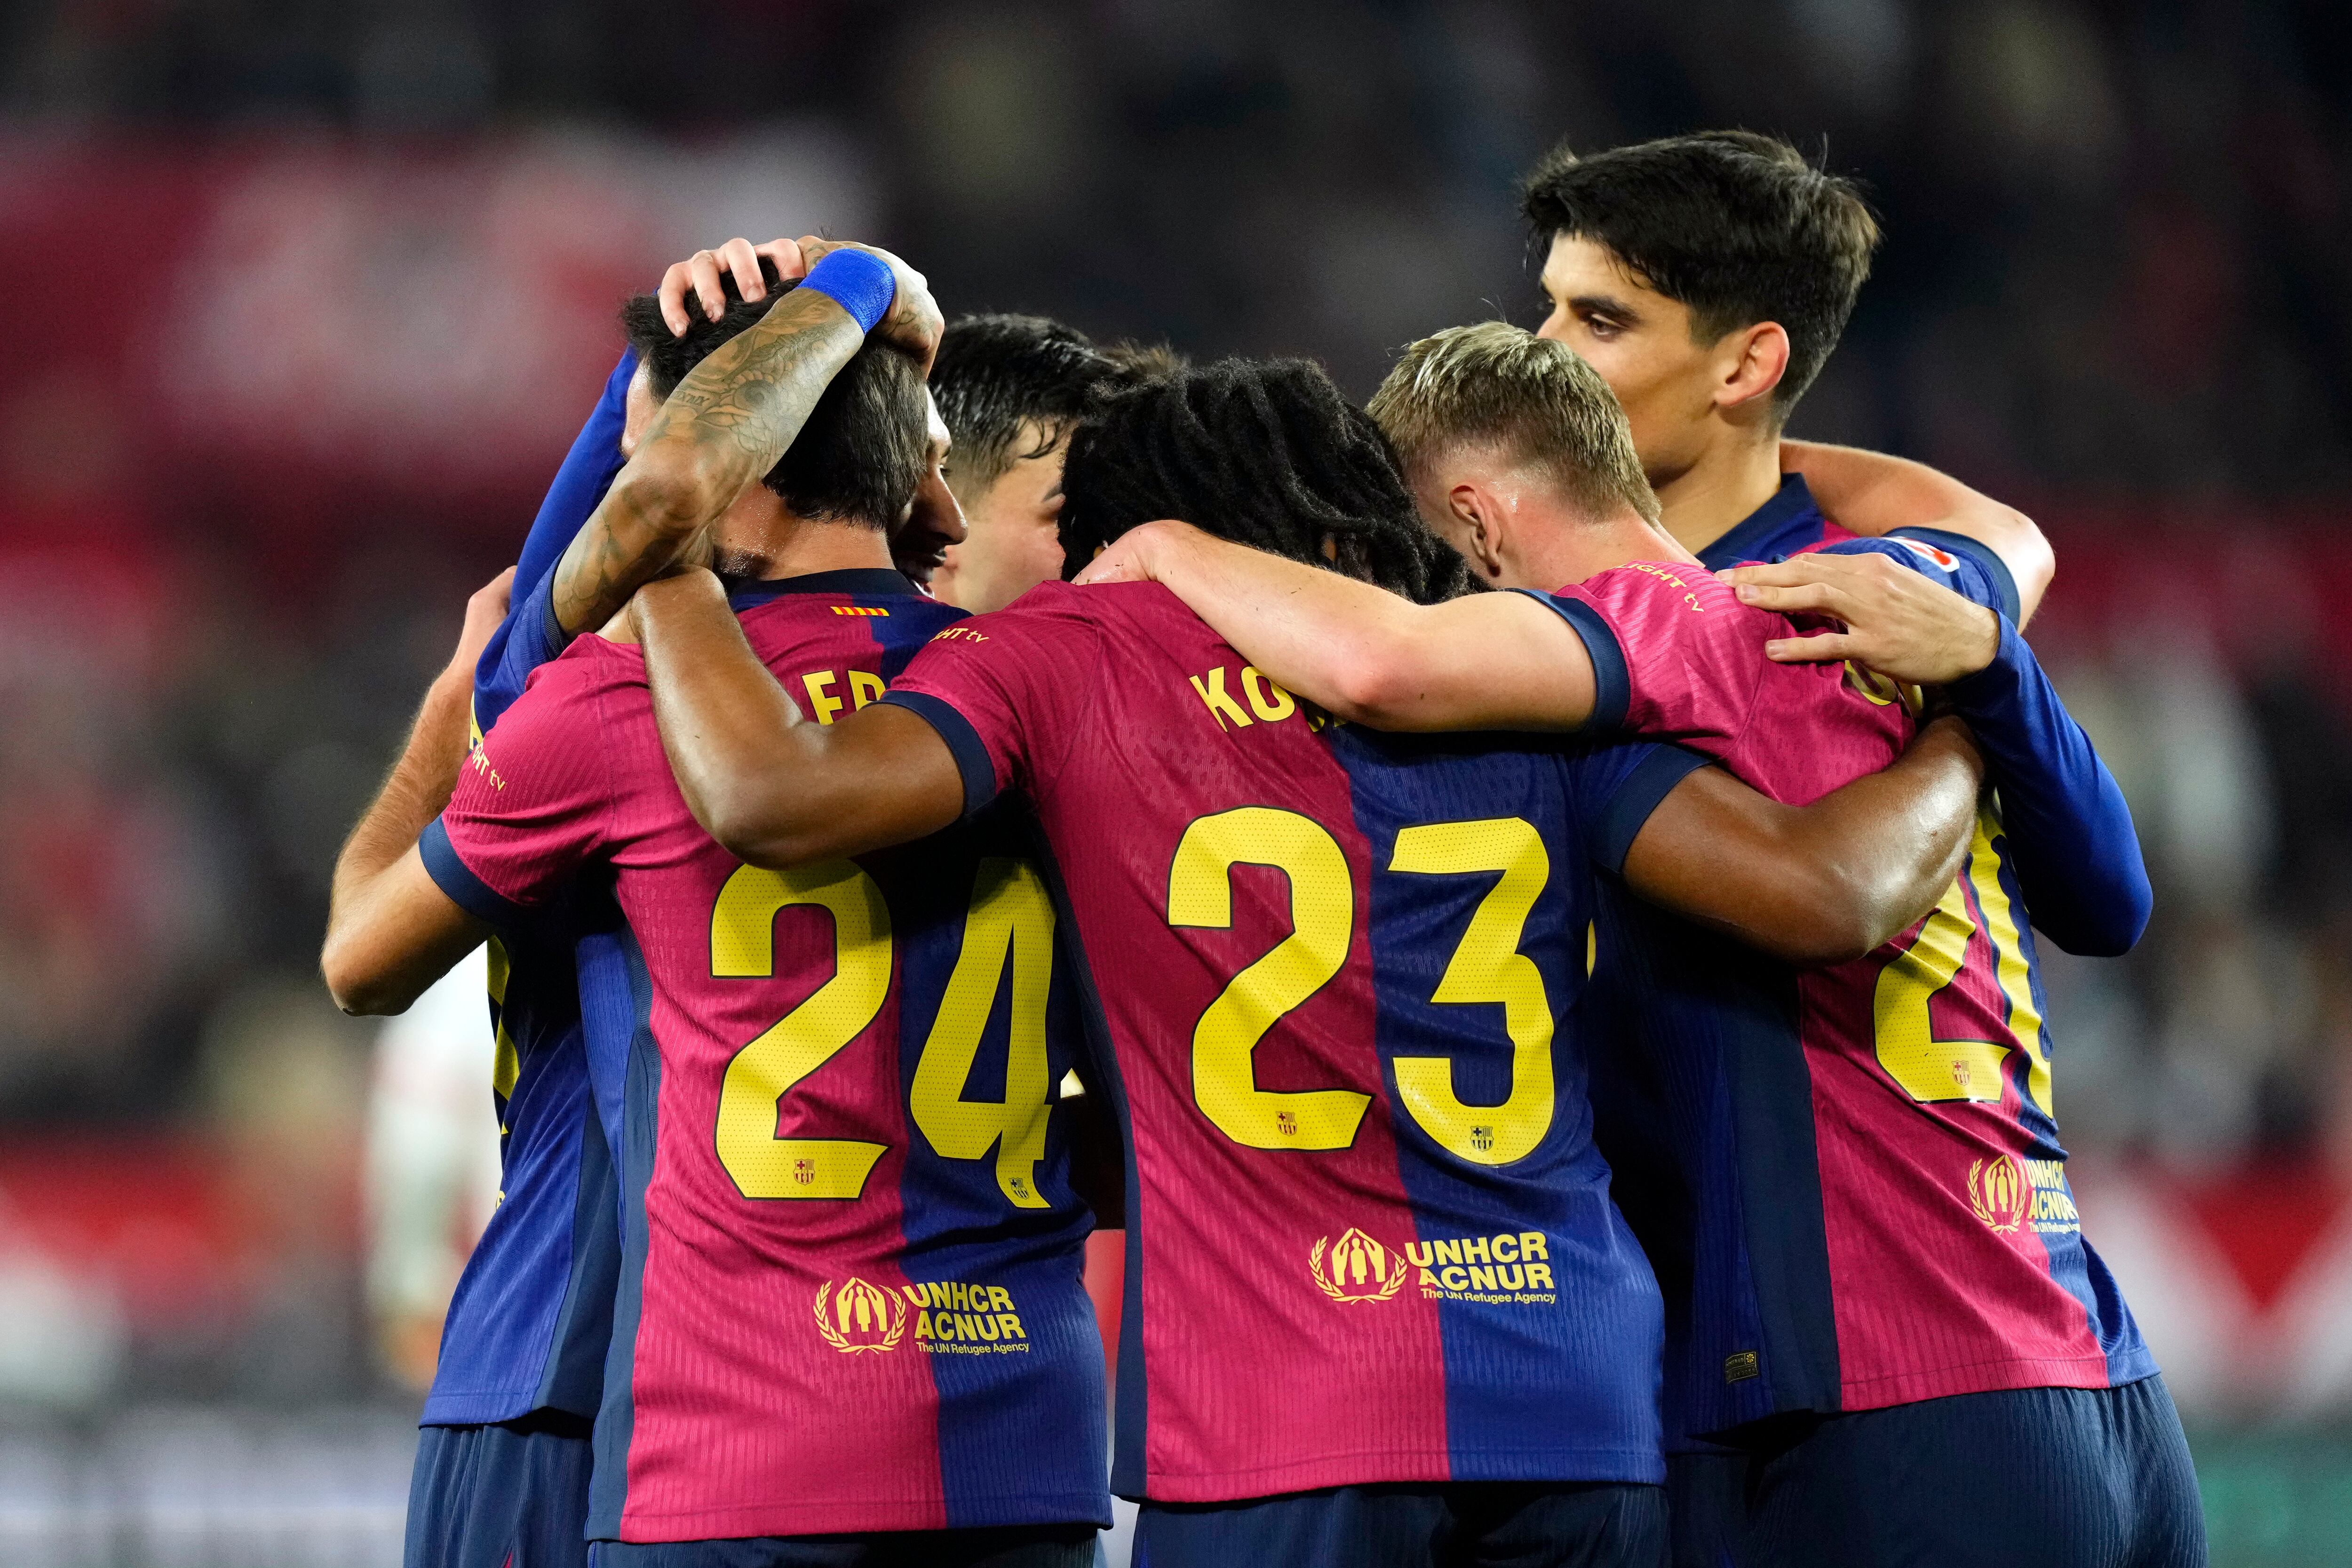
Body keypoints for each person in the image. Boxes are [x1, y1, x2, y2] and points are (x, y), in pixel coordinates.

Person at [615, 354, 1990, 1568]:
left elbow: (779, 798)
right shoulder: (1504, 672)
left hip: (1283, 1416)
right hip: (1574, 1399)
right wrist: (1977, 724)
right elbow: (1818, 888)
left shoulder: (1063, 653)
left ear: (1121, 531)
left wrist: (661, 552)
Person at [1077, 324, 2200, 1568]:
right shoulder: (1879, 615)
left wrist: (1175, 550)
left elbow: (1386, 663)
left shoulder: (1616, 663)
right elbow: (2111, 900)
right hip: (2090, 1354)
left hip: (1870, 1381)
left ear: (1478, 523)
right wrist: (1986, 692)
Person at [327, 240, 962, 1567]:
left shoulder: (604, 702)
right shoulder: (990, 701)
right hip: (912, 1394)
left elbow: (359, 951)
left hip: (583, 1358)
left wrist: (849, 285)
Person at [1523, 129, 2055, 610]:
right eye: (1552, 305)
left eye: (1600, 323)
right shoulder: (1471, 550)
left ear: (1744, 368)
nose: (1542, 346)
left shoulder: (1834, 634)